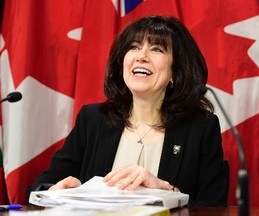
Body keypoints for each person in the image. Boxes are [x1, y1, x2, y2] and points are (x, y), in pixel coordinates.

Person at [27, 15, 227, 207]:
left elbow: (214, 208)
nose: (141, 56)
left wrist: (166, 192)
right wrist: (57, 192)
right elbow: (38, 187)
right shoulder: (93, 120)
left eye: (156, 49)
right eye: (134, 47)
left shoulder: (200, 128)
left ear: (176, 71)